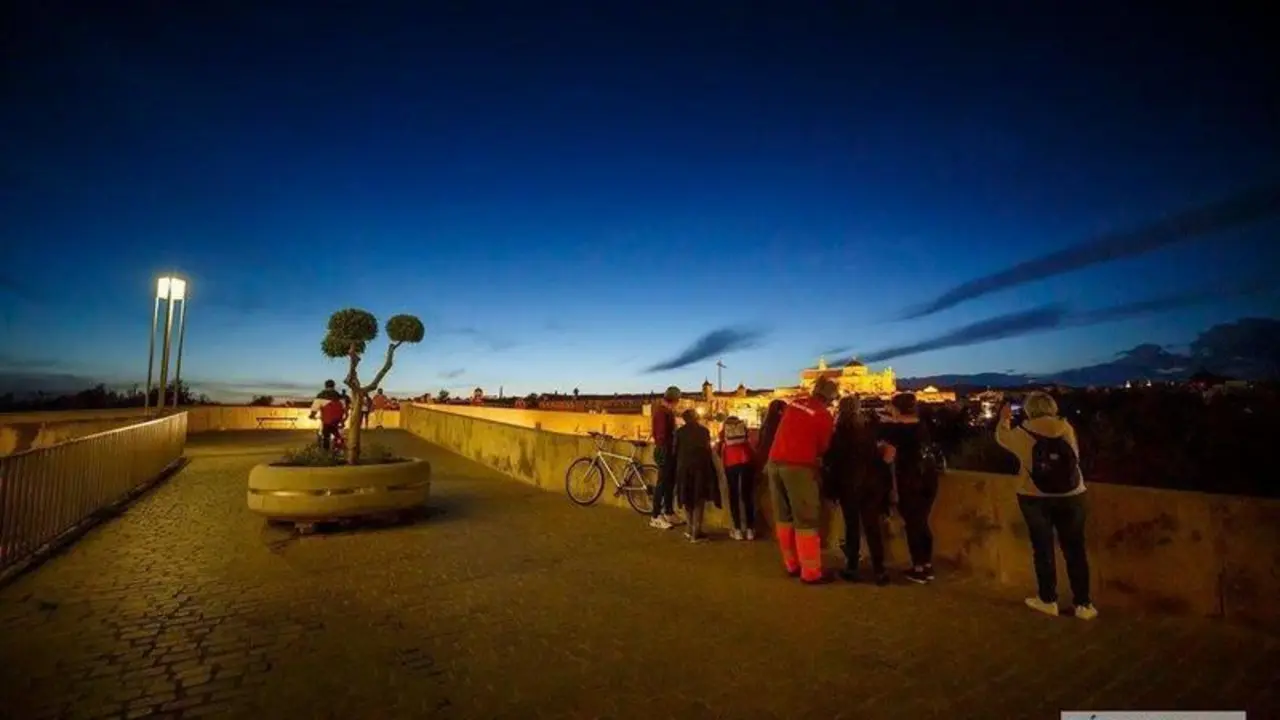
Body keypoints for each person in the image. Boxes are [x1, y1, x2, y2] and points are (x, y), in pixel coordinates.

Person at [996, 392, 1097, 620]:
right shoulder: (1066, 428)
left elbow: (1001, 438)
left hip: (1034, 496)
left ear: (1029, 410)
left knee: (1043, 549)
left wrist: (1004, 418)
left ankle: (1047, 599)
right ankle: (1084, 604)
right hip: (1072, 494)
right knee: (1076, 550)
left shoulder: (1022, 433)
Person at [765, 378, 839, 584]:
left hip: (774, 463)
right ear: (830, 398)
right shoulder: (824, 415)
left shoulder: (794, 404)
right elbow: (823, 447)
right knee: (806, 519)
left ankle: (792, 564)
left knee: (783, 516)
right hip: (798, 467)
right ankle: (811, 572)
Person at [824, 396, 890, 585]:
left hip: (849, 486)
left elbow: (833, 462)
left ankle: (852, 568)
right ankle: (880, 571)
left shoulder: (839, 434)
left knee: (852, 527)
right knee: (872, 528)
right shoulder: (868, 430)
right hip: (871, 485)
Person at [879, 392, 939, 584]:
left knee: (913, 524)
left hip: (911, 479)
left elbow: (887, 457)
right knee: (922, 522)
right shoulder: (922, 426)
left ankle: (918, 568)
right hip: (930, 477)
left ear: (896, 408)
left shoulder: (895, 431)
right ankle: (927, 565)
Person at [675, 409, 721, 543]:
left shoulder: (679, 432)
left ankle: (689, 529)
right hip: (700, 469)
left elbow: (675, 450)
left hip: (684, 468)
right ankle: (696, 532)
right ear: (696, 417)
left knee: (687, 498)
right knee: (698, 500)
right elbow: (707, 449)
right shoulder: (704, 431)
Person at [649, 386, 684, 530]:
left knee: (669, 482)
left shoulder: (665, 411)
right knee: (662, 484)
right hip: (665, 451)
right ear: (674, 400)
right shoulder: (662, 413)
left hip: (668, 450)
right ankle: (655, 516)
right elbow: (662, 435)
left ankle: (669, 512)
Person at [719, 415, 756, 540]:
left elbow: (720, 445)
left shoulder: (724, 430)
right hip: (745, 461)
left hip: (730, 463)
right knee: (747, 496)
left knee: (733, 495)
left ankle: (738, 529)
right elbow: (751, 444)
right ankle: (750, 529)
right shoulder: (743, 428)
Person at [309, 380, 345, 451]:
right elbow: (343, 408)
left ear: (325, 386)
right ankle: (339, 447)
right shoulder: (339, 396)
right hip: (338, 420)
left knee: (326, 434)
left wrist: (312, 415)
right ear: (334, 386)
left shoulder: (321, 395)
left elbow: (314, 408)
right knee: (336, 432)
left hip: (327, 420)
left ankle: (326, 452)